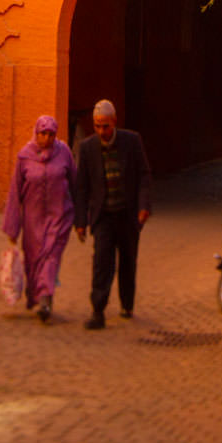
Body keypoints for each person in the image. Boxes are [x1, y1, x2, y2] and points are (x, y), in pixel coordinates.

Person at [72, 98, 151, 330]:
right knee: (101, 263)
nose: (101, 131)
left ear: (114, 122)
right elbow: (82, 187)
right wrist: (80, 220)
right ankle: (98, 310)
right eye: (97, 126)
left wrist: (143, 205)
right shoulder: (87, 148)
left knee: (127, 261)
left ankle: (127, 304)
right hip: (103, 215)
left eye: (105, 126)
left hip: (127, 214)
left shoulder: (132, 142)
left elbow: (144, 175)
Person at [1, 114, 74, 323]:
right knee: (33, 259)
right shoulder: (24, 156)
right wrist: (12, 228)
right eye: (43, 133)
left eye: (51, 134)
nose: (47, 138)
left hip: (59, 215)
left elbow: (75, 182)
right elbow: (15, 193)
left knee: (51, 255)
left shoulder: (64, 153)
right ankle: (36, 295)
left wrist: (81, 218)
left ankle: (45, 298)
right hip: (32, 220)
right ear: (36, 133)